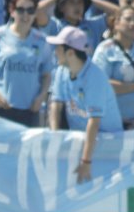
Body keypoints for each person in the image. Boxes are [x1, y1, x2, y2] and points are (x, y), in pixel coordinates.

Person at [48, 24, 122, 183]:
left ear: (70, 53)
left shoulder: (95, 78)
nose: (55, 52)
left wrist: (86, 162)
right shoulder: (62, 70)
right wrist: (54, 135)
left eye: (58, 49)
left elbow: (94, 123)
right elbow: (56, 103)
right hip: (83, 145)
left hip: (107, 147)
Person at [0, 0, 51, 125]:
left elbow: (46, 74)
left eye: (30, 10)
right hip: (0, 107)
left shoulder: (42, 40)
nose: (25, 15)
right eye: (20, 10)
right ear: (12, 11)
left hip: (30, 111)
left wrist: (41, 97)